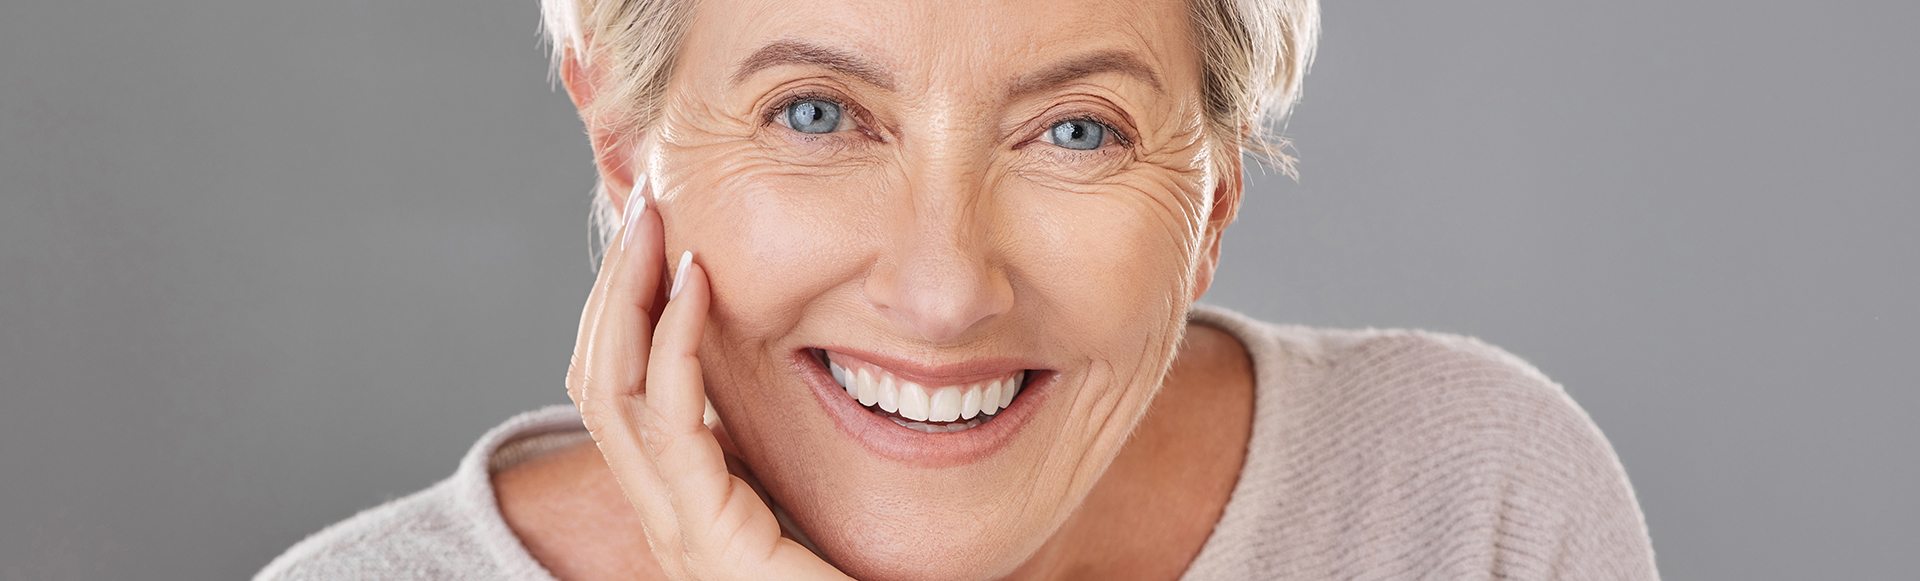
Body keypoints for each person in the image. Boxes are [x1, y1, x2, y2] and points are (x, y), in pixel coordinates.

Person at [259, 0, 1658, 578]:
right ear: (624, 140)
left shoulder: (1468, 513)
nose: (942, 292)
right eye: (816, 114)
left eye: (1075, 130)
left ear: (1215, 188)